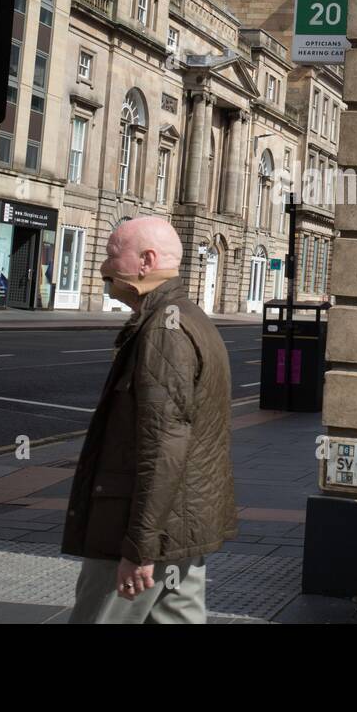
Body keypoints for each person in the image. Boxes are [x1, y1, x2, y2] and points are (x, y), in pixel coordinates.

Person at [62, 216, 237, 623]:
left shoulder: (165, 329)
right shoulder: (186, 316)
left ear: (146, 261)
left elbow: (163, 448)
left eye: (111, 254)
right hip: (179, 526)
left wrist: (138, 547)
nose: (103, 266)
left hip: (144, 528)